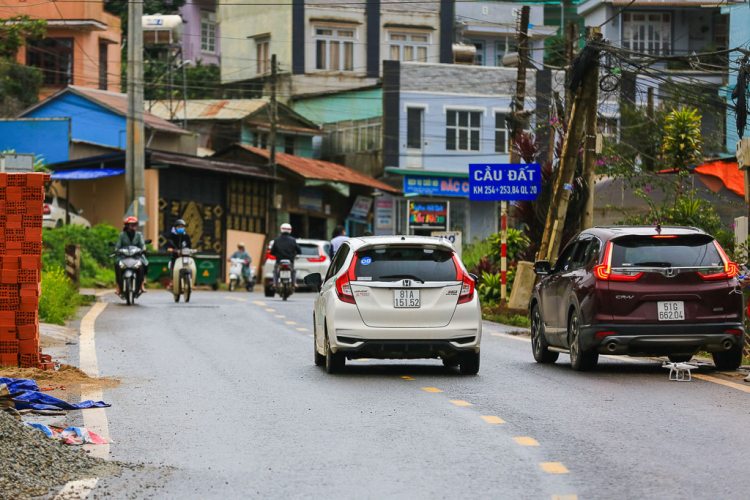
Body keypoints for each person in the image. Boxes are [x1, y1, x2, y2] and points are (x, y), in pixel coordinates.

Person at [115, 216, 148, 294]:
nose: (133, 226)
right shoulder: (122, 235)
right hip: (124, 255)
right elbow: (118, 246)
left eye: (134, 224)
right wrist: (117, 251)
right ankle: (118, 285)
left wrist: (143, 249)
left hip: (137, 255)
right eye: (130, 224)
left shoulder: (139, 235)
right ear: (126, 225)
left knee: (145, 263)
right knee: (117, 263)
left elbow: (142, 244)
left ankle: (142, 282)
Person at [270, 223, 301, 288]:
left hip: (279, 261)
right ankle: (294, 282)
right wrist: (294, 255)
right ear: (290, 230)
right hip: (290, 261)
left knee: (275, 271)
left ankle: (275, 283)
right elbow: (299, 250)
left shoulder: (277, 240)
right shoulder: (293, 240)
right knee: (293, 271)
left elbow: (272, 252)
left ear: (281, 229)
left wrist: (275, 254)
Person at [166, 219, 192, 289]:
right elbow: (168, 244)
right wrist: (170, 249)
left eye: (182, 227)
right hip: (175, 256)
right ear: (175, 227)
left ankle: (191, 281)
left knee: (190, 265)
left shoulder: (186, 237)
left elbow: (189, 246)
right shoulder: (171, 236)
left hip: (185, 256)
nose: (181, 228)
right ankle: (172, 281)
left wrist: (190, 250)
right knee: (173, 265)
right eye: (179, 227)